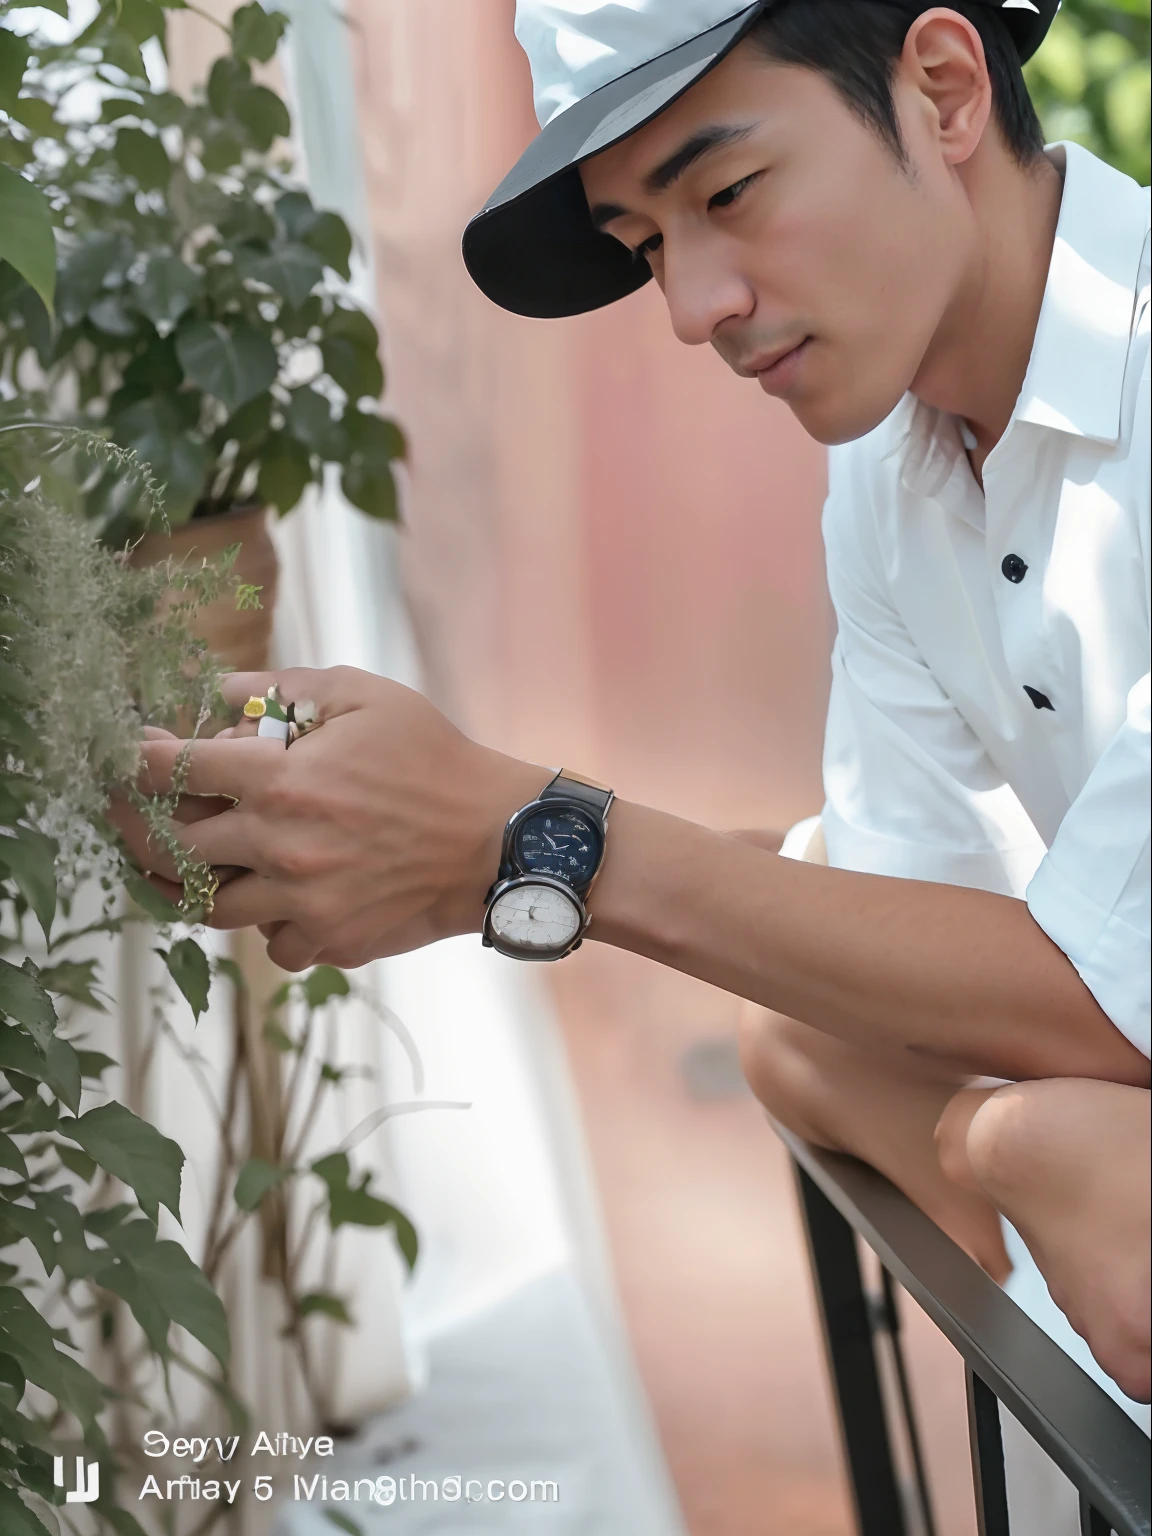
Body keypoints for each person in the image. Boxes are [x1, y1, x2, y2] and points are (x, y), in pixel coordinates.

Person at [114, 0, 1150, 1408]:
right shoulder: (893, 475)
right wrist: (989, 1129)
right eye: (649, 245)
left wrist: (537, 839)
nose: (689, 307)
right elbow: (901, 987)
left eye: (728, 191)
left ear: (946, 89)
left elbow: (1108, 1004)